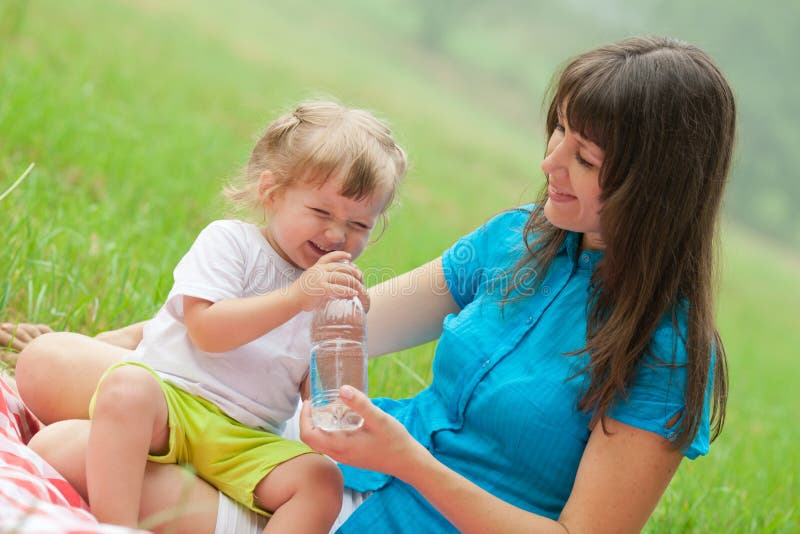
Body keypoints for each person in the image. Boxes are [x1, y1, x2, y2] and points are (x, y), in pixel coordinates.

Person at [17, 35, 734, 533]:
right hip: (329, 449)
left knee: (64, 453)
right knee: (51, 366)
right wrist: (137, 337)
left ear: (656, 184)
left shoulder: (665, 354)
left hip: (371, 512)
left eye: (582, 156)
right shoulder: (520, 237)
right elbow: (333, 326)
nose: (549, 162)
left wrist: (408, 463)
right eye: (557, 133)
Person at [19, 100, 408, 533]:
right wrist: (297, 297)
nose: (337, 235)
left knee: (322, 480)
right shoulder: (231, 244)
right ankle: (115, 527)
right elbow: (207, 330)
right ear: (271, 192)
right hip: (171, 404)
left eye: (359, 226)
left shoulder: (332, 294)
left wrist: (336, 373)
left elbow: (308, 391)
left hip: (248, 437)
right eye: (321, 213)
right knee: (127, 386)